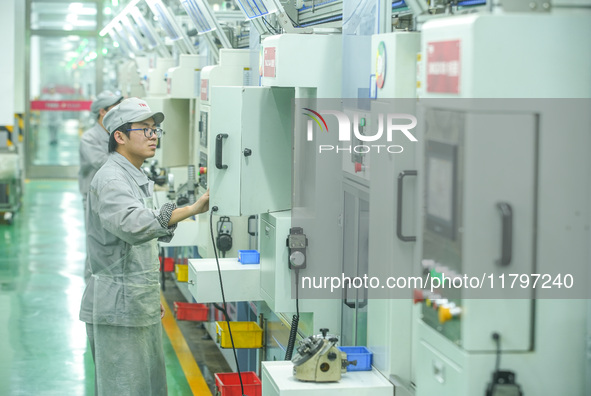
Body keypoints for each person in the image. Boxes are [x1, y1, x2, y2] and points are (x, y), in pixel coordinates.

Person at [79, 97, 209, 395]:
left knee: (147, 386)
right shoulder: (112, 178)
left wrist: (150, 296)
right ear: (119, 137)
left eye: (155, 130)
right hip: (118, 306)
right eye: (145, 129)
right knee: (125, 388)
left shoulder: (132, 174)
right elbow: (134, 225)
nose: (153, 136)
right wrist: (191, 209)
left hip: (135, 301)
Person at [78, 91, 123, 283]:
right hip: (94, 199)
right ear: (103, 112)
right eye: (115, 107)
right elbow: (102, 162)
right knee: (97, 245)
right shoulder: (89, 138)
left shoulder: (115, 134)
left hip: (115, 196)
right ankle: (92, 288)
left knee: (114, 245)